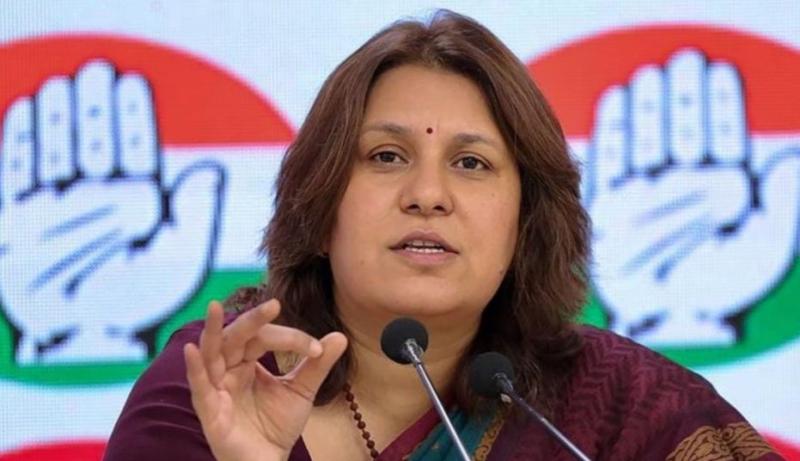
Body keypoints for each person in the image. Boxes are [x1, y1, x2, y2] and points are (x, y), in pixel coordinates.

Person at [103, 10, 783, 461]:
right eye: (386, 156)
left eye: (471, 163)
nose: (427, 194)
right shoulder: (217, 385)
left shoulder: (620, 411)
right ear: (320, 204)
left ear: (526, 221)